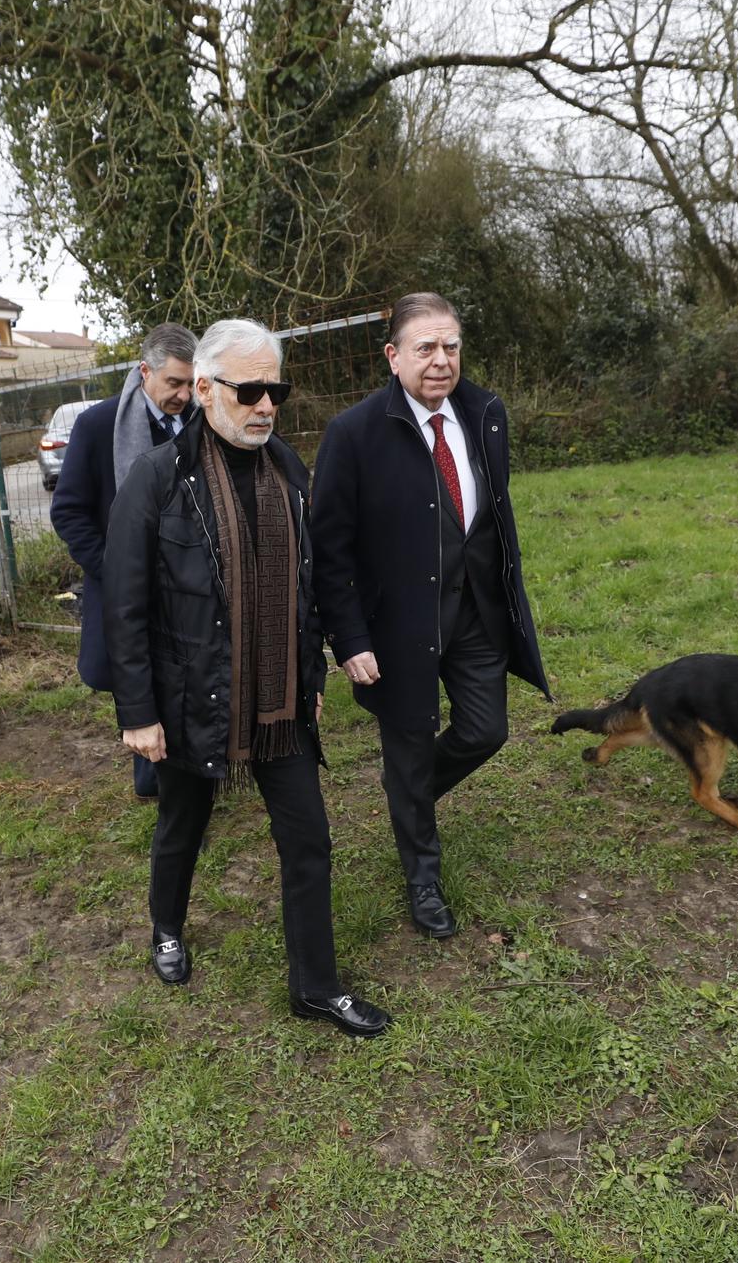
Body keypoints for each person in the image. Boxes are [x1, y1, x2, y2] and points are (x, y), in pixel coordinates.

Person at [104, 318, 391, 1038]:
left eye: (277, 389)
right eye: (250, 389)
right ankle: (167, 925)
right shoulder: (158, 479)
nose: (266, 405)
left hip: (279, 699)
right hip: (192, 697)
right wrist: (138, 712)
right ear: (203, 389)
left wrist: (313, 673)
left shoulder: (289, 470)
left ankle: (316, 987)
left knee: (310, 839)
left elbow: (310, 581)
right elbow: (126, 604)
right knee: (182, 824)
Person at [310, 292, 550, 939]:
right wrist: (348, 636)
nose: (442, 360)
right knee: (409, 748)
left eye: (451, 346)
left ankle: (407, 797)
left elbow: (490, 518)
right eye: (426, 348)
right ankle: (423, 877)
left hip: (474, 614)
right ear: (393, 357)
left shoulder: (484, 414)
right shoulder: (354, 434)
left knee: (486, 730)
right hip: (397, 629)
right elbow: (327, 548)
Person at [50, 321, 197, 798]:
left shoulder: (202, 421)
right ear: (144, 371)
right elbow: (69, 511)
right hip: (126, 588)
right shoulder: (99, 426)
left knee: (191, 675)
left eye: (190, 383)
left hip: (191, 582)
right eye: (172, 382)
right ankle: (152, 778)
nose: (182, 394)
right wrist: (114, 572)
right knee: (139, 675)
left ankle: (193, 771)